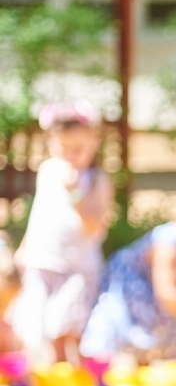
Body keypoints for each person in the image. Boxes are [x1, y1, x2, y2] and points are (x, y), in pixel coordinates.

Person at [13, 101, 114, 365]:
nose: (70, 155)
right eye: (62, 148)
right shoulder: (48, 170)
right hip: (42, 262)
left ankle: (79, 382)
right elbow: (40, 214)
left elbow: (95, 229)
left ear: (94, 141)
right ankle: (50, 384)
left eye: (78, 149)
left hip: (76, 268)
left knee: (67, 327)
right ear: (50, 143)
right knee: (38, 330)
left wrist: (76, 194)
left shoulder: (97, 180)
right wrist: (25, 248)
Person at [80, 181, 176, 362]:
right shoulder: (168, 244)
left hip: (154, 287)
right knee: (160, 319)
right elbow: (168, 296)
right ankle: (138, 361)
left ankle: (168, 361)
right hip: (131, 285)